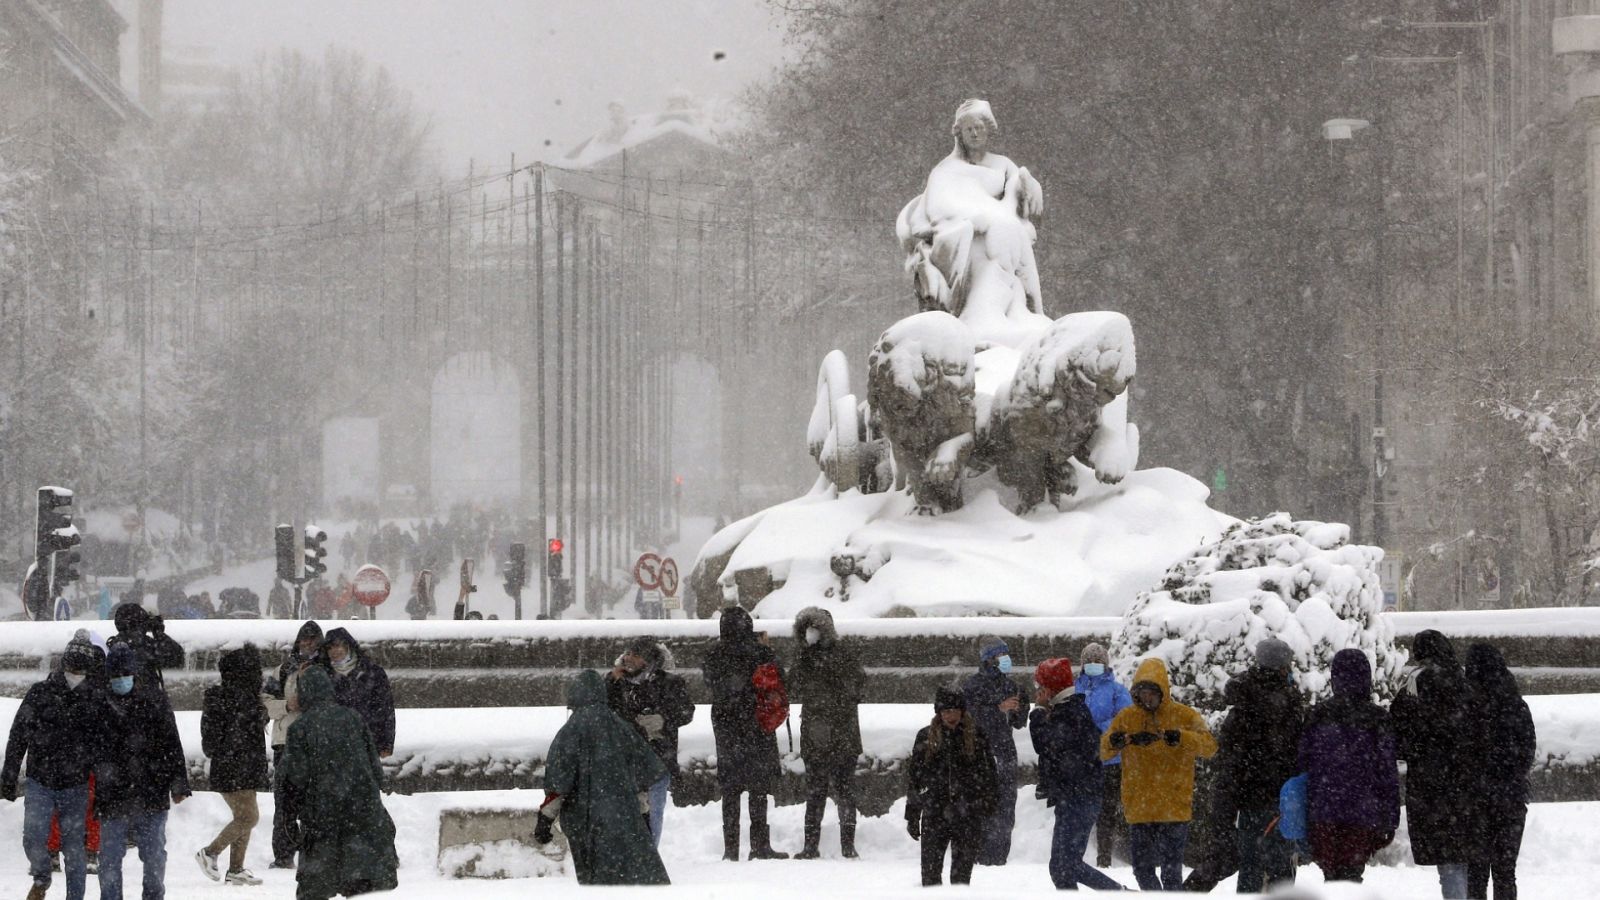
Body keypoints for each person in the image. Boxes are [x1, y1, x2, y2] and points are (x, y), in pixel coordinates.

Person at [2, 635, 115, 900]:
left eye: (81, 666)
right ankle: (42, 876)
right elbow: (19, 734)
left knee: (74, 849)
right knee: (32, 837)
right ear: (64, 663)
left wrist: (104, 787)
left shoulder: (96, 699)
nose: (75, 671)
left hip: (76, 783)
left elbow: (104, 747)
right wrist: (9, 774)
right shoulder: (40, 693)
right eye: (72, 664)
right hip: (40, 780)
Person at [534, 670, 672, 885]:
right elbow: (642, 777)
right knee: (634, 881)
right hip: (625, 819)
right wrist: (643, 814)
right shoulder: (622, 728)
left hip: (587, 822)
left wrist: (545, 821)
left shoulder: (570, 731)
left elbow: (559, 784)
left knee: (597, 881)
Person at [280, 667, 400, 900]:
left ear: (304, 693)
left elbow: (296, 776)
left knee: (316, 884)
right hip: (362, 810)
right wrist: (373, 793)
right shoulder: (353, 718)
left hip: (322, 815)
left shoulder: (300, 728)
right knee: (361, 881)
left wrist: (290, 812)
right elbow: (374, 765)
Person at [1100, 656, 1217, 891]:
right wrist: (1114, 741)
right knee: (1142, 870)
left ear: (1162, 691)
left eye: (1152, 693)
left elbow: (1209, 746)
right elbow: (1104, 751)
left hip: (1173, 806)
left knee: (1171, 873)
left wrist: (1182, 737)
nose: (1147, 698)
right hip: (1140, 807)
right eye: (1142, 693)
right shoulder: (1127, 717)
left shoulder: (1184, 716)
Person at [1297, 648, 1400, 884]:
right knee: (1351, 874)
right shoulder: (1378, 718)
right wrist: (1390, 817)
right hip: (1363, 811)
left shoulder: (1318, 715)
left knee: (1331, 874)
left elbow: (1303, 764)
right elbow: (1387, 771)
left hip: (1324, 808)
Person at [97, 644, 190, 900]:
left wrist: (179, 782)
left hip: (150, 789)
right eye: (115, 675)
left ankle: (153, 896)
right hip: (113, 792)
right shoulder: (100, 703)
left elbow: (171, 743)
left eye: (124, 674)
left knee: (153, 855)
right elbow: (90, 746)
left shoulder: (154, 700)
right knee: (110, 857)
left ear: (134, 673)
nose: (120, 680)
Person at [1391, 630, 1475, 899]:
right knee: (1462, 853)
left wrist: (1419, 750)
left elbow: (1398, 734)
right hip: (1465, 782)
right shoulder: (1465, 682)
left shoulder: (1414, 684)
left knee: (1447, 858)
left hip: (1429, 785)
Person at [1217, 637, 1304, 893]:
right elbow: (1298, 750)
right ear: (1283, 666)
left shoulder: (1243, 703)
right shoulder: (1289, 702)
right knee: (1282, 868)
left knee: (1251, 865)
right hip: (1282, 798)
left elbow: (1228, 757)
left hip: (1249, 798)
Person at [1029, 658, 1124, 891]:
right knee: (1061, 867)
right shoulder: (1070, 708)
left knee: (1066, 865)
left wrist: (1038, 712)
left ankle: (1119, 892)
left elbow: (1044, 743)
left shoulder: (1069, 712)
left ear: (1048, 689)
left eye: (1039, 687)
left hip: (1079, 797)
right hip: (1074, 796)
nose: (1037, 693)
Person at [702, 607, 788, 860]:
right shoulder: (760, 652)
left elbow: (712, 683)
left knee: (730, 790)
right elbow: (780, 680)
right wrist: (765, 648)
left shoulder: (714, 655)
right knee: (758, 788)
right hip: (756, 725)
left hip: (726, 727)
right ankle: (759, 845)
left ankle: (730, 849)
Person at [788, 606, 865, 860]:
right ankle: (843, 845)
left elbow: (794, 687)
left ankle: (815, 846)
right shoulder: (838, 655)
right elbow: (858, 688)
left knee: (820, 791)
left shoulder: (816, 657)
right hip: (836, 732)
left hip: (822, 732)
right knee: (839, 790)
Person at [1463, 643, 1536, 900]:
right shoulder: (1516, 705)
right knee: (1505, 873)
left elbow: (1459, 753)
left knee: (1476, 874)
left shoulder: (1467, 706)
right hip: (1511, 798)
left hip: (1474, 801)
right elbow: (1527, 751)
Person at [606, 638, 695, 848]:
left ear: (649, 660)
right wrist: (611, 681)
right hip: (625, 762)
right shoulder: (618, 683)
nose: (629, 658)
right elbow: (601, 707)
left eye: (636, 655)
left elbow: (686, 712)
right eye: (628, 653)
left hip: (658, 761)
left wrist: (663, 719)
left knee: (653, 815)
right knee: (625, 817)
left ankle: (649, 857)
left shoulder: (669, 683)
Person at [906, 687, 998, 887]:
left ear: (962, 712)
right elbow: (916, 778)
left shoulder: (976, 736)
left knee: (961, 878)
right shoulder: (925, 737)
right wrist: (912, 814)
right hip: (934, 813)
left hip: (967, 813)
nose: (951, 716)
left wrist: (988, 804)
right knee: (930, 875)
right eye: (946, 711)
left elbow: (989, 774)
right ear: (939, 713)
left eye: (955, 711)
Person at [196, 644, 268, 886]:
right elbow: (213, 741)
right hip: (233, 768)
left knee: (243, 817)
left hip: (244, 767)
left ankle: (236, 869)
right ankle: (210, 852)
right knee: (249, 817)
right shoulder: (228, 701)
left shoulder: (244, 700)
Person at [960, 635, 1026, 866]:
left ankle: (1000, 857)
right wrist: (998, 708)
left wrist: (1020, 708)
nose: (1006, 659)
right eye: (1001, 655)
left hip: (1005, 752)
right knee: (981, 805)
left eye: (1007, 654)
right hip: (980, 754)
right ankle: (980, 855)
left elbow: (1018, 722)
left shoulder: (1010, 685)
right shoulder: (972, 686)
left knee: (1006, 807)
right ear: (990, 659)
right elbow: (968, 718)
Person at [263, 621, 324, 869]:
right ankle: (284, 855)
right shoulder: (283, 670)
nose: (307, 644)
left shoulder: (325, 669)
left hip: (316, 743)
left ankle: (314, 853)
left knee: (315, 803)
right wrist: (287, 706)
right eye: (303, 639)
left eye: (312, 639)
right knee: (284, 804)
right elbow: (265, 702)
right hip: (285, 742)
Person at [1075, 641, 1132, 868]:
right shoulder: (1074, 688)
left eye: (1097, 661)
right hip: (1080, 761)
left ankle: (1104, 857)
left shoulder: (1117, 690)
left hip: (1110, 761)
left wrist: (1096, 728)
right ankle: (1076, 856)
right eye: (1089, 661)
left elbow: (1126, 719)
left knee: (1106, 812)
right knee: (1081, 810)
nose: (1093, 664)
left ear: (1106, 664)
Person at [320, 628, 396, 759]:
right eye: (329, 648)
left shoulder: (373, 672)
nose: (333, 651)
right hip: (334, 745)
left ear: (348, 646)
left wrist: (387, 743)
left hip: (369, 741)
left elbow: (386, 709)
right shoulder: (323, 675)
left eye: (337, 646)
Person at [107, 602, 184, 691]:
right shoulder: (147, 644)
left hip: (118, 697)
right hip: (148, 695)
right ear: (141, 623)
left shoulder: (113, 644)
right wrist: (159, 633)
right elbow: (178, 659)